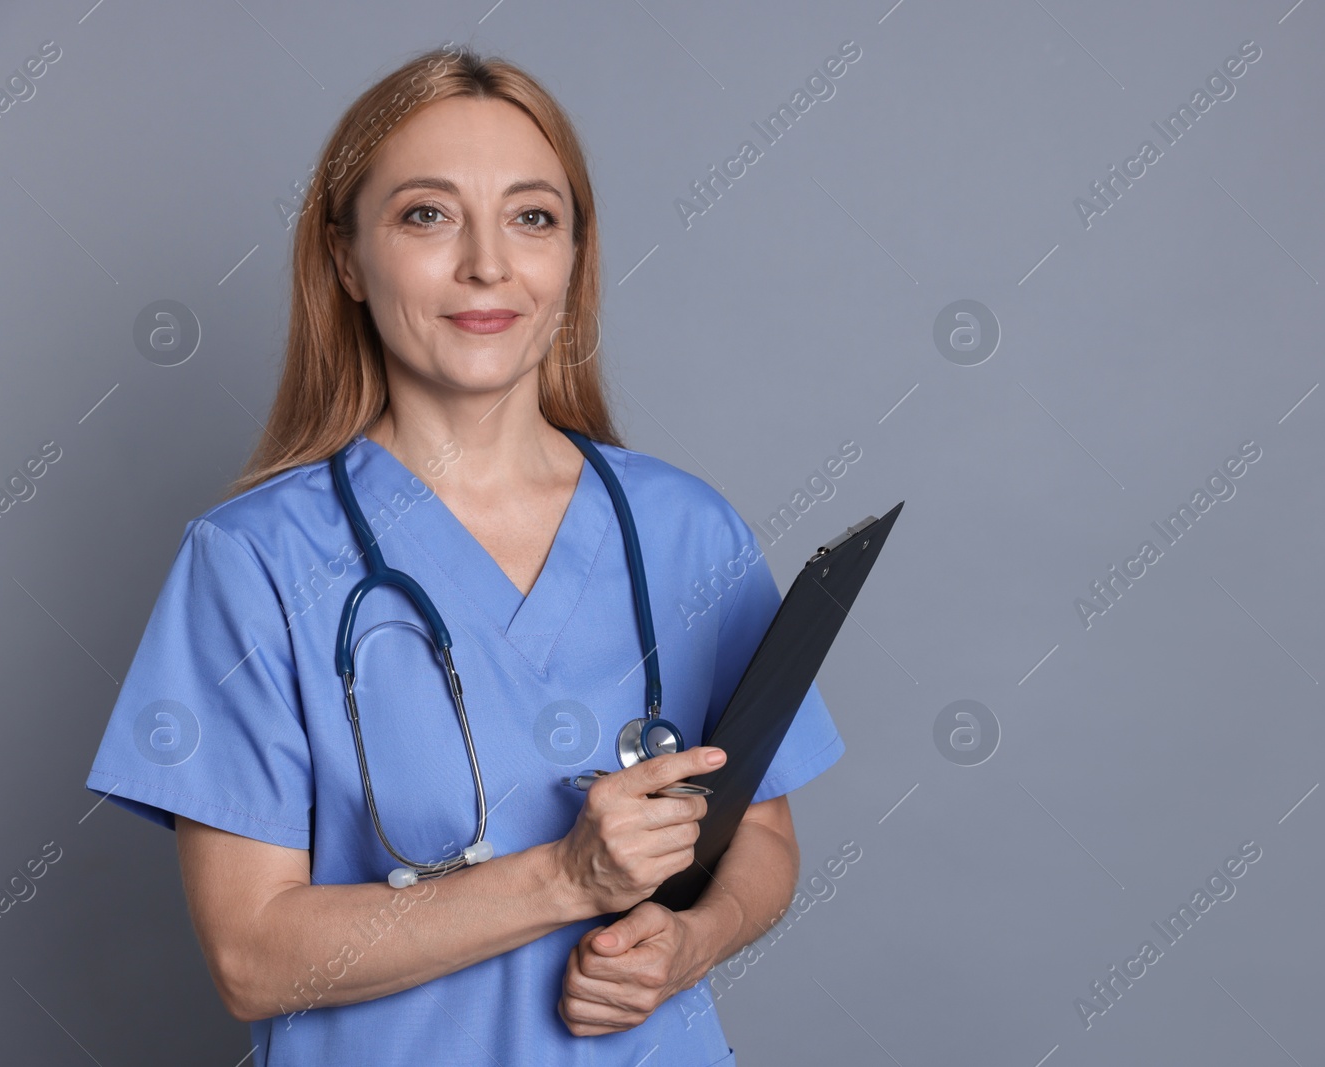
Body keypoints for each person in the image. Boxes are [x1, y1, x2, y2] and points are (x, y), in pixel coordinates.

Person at [83, 43, 843, 1066]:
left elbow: (762, 835)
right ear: (346, 258)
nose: (488, 263)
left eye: (532, 216)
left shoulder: (683, 528)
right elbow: (251, 956)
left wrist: (690, 938)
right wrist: (567, 878)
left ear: (573, 257)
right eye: (427, 215)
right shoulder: (252, 561)